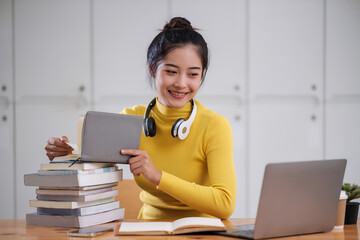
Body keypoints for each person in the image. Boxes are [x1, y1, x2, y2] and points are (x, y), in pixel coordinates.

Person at [45, 17, 236, 220]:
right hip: (147, 230)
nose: (181, 83)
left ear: (201, 75)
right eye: (171, 71)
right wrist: (66, 152)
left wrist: (158, 176)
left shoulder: (215, 125)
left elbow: (225, 203)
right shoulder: (131, 119)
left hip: (202, 231)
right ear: (152, 69)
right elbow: (91, 158)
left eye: (193, 74)